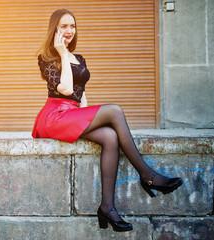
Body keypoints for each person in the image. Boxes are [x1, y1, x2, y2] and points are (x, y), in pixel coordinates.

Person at [32, 9, 183, 232]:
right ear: (54, 29)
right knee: (114, 111)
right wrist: (62, 53)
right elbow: (64, 88)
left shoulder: (79, 58)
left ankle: (107, 207)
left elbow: (80, 93)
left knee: (111, 137)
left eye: (72, 26)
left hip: (73, 115)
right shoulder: (47, 58)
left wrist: (86, 120)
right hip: (55, 116)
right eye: (63, 26)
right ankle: (148, 176)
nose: (69, 31)